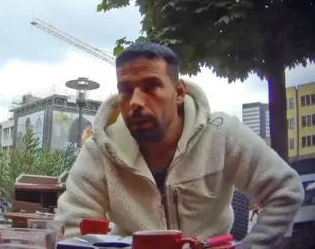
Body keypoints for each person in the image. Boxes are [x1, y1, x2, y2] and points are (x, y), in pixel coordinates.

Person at [54, 42, 304, 248]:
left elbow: (284, 189)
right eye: (126, 89)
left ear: (180, 91)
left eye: (152, 86)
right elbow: (72, 228)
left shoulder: (222, 133)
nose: (136, 102)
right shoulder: (100, 150)